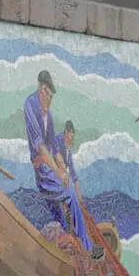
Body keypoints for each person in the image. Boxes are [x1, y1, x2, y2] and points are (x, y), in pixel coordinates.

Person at [24, 71, 93, 252]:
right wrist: (58, 171)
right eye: (49, 95)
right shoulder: (30, 106)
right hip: (43, 171)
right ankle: (88, 248)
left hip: (51, 169)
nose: (50, 100)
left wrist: (62, 168)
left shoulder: (50, 116)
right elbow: (40, 145)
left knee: (59, 210)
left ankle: (66, 248)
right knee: (69, 192)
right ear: (42, 89)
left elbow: (54, 149)